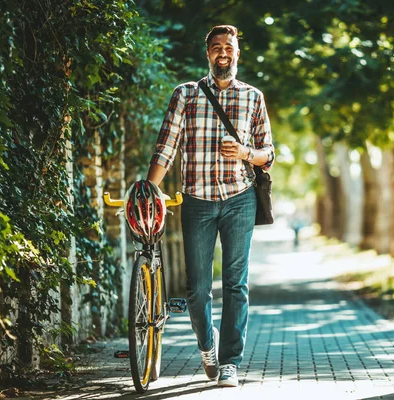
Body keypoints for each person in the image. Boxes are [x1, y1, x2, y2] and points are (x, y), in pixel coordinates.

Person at [146, 24, 275, 387]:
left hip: (240, 198)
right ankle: (208, 346)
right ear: (208, 54)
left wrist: (247, 152)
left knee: (236, 284)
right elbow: (166, 148)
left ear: (237, 53)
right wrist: (147, 191)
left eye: (229, 47)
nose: (223, 53)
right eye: (216, 47)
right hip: (198, 201)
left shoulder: (253, 97)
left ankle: (230, 361)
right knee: (197, 288)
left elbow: (269, 154)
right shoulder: (185, 94)